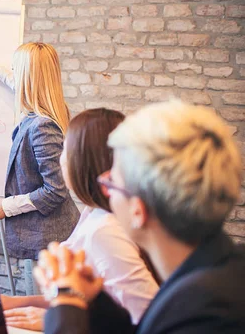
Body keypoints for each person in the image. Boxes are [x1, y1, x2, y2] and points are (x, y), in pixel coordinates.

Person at [36, 100, 245, 334]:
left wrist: (66, 302)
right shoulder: (222, 270)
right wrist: (95, 302)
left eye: (112, 181)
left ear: (138, 211)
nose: (104, 186)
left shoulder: (203, 310)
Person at [2, 109, 159, 331]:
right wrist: (17, 302)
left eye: (65, 148)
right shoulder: (93, 213)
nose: (60, 157)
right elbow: (83, 297)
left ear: (84, 160)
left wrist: (52, 320)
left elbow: (147, 318)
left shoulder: (106, 230)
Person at [0, 43, 79, 295]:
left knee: (41, 313)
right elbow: (19, 83)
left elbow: (55, 191)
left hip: (47, 239)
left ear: (28, 78)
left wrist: (7, 207)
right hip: (47, 237)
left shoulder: (42, 127)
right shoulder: (50, 111)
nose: (14, 74)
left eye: (16, 70)